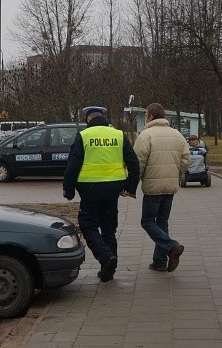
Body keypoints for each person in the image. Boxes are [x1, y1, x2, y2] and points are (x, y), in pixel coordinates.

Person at [63, 106, 140, 282]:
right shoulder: (119, 135)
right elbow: (133, 163)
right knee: (108, 230)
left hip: (89, 190)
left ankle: (105, 258)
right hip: (113, 190)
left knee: (88, 226)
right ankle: (108, 271)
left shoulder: (84, 136)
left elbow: (72, 166)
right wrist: (130, 186)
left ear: (88, 118)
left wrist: (69, 190)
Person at [133, 103, 190, 272]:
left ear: (150, 116)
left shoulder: (146, 135)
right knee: (162, 222)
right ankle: (159, 261)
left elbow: (138, 163)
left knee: (148, 221)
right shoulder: (177, 135)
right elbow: (186, 160)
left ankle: (171, 246)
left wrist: (132, 184)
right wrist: (175, 173)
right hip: (170, 186)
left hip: (153, 187)